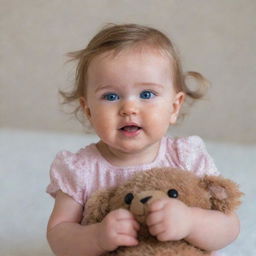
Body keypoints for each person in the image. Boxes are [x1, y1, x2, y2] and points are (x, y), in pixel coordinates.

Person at [46, 23, 240, 256]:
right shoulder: (81, 169)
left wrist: (190, 222)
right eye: (111, 96)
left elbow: (229, 227)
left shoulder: (185, 157)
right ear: (88, 110)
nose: (129, 108)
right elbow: (59, 236)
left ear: (174, 106)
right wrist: (97, 237)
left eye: (146, 94)